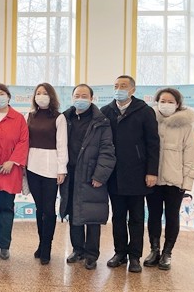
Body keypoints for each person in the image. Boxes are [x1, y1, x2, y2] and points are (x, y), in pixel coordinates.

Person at [101, 75, 160, 273]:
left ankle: (135, 256)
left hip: (137, 173)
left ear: (132, 90)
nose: (119, 89)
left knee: (136, 217)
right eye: (116, 85)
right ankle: (120, 253)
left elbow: (153, 144)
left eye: (124, 86)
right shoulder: (106, 111)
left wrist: (152, 171)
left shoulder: (144, 111)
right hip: (114, 174)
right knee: (117, 216)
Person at [60, 84, 116, 270]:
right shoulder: (65, 118)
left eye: (84, 96)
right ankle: (78, 249)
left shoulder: (101, 121)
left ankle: (92, 254)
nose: (80, 99)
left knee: (92, 216)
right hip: (71, 175)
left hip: (91, 174)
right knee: (74, 213)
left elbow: (107, 150)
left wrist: (100, 175)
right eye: (77, 95)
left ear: (92, 99)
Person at [144, 88, 194, 270]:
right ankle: (154, 250)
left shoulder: (186, 126)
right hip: (153, 179)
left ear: (177, 104)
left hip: (175, 181)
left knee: (172, 216)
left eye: (170, 102)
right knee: (153, 215)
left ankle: (167, 253)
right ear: (157, 102)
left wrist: (187, 181)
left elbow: (192, 156)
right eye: (162, 101)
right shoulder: (151, 121)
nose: (165, 105)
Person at [0, 84, 29, 261]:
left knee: (7, 208)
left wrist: (13, 161)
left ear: (8, 96)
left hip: (10, 171)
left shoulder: (18, 118)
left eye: (2, 93)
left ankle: (5, 245)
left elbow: (24, 141)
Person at [25, 83, 67, 264]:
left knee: (49, 210)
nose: (41, 96)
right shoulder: (29, 116)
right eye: (38, 93)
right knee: (39, 208)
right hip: (32, 166)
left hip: (51, 168)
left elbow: (62, 145)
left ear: (51, 96)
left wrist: (61, 169)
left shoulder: (59, 117)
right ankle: (41, 243)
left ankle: (47, 247)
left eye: (44, 93)